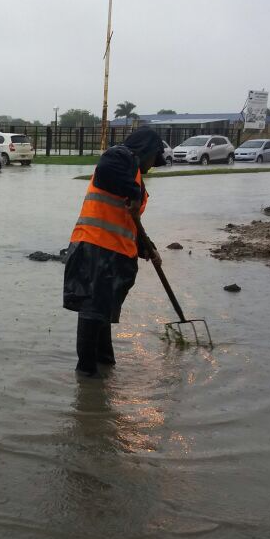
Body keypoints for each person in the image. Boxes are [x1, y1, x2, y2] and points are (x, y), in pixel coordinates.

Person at [63, 127, 167, 377]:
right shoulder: (120, 156)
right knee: (92, 311)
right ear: (147, 151)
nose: (153, 166)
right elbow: (107, 171)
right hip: (95, 248)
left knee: (103, 312)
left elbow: (129, 224)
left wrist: (148, 248)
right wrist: (132, 192)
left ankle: (105, 364)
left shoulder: (134, 175)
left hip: (114, 253)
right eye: (154, 159)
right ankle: (86, 376)